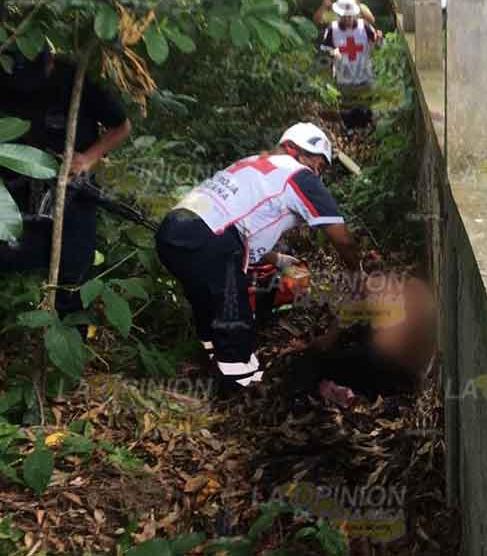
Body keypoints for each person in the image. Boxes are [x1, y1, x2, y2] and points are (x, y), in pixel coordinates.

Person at [155, 123, 369, 392]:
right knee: (236, 317)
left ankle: (212, 359)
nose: (318, 172)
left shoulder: (252, 163)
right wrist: (358, 271)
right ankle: (241, 386)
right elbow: (342, 238)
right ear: (302, 153)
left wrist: (276, 259)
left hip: (172, 231)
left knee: (207, 302)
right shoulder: (299, 176)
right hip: (209, 239)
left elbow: (234, 219)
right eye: (319, 164)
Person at [0, 48, 132, 315]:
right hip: (16, 191)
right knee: (10, 255)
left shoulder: (76, 79)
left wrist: (86, 159)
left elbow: (122, 126)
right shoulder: (6, 76)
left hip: (70, 194)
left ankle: (66, 326)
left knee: (71, 275)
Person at [286, 274, 436, 407]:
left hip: (393, 374)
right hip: (404, 375)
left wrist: (328, 338)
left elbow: (356, 303)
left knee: (314, 362)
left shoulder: (393, 295)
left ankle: (299, 393)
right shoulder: (417, 295)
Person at [320, 0, 384, 134]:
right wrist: (332, 53)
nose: (348, 19)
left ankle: (366, 134)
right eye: (345, 16)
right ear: (339, 15)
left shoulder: (364, 26)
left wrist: (379, 39)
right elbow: (324, 50)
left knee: (366, 112)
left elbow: (378, 45)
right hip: (343, 79)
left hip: (364, 77)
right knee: (347, 113)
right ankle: (350, 133)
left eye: (350, 16)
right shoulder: (332, 29)